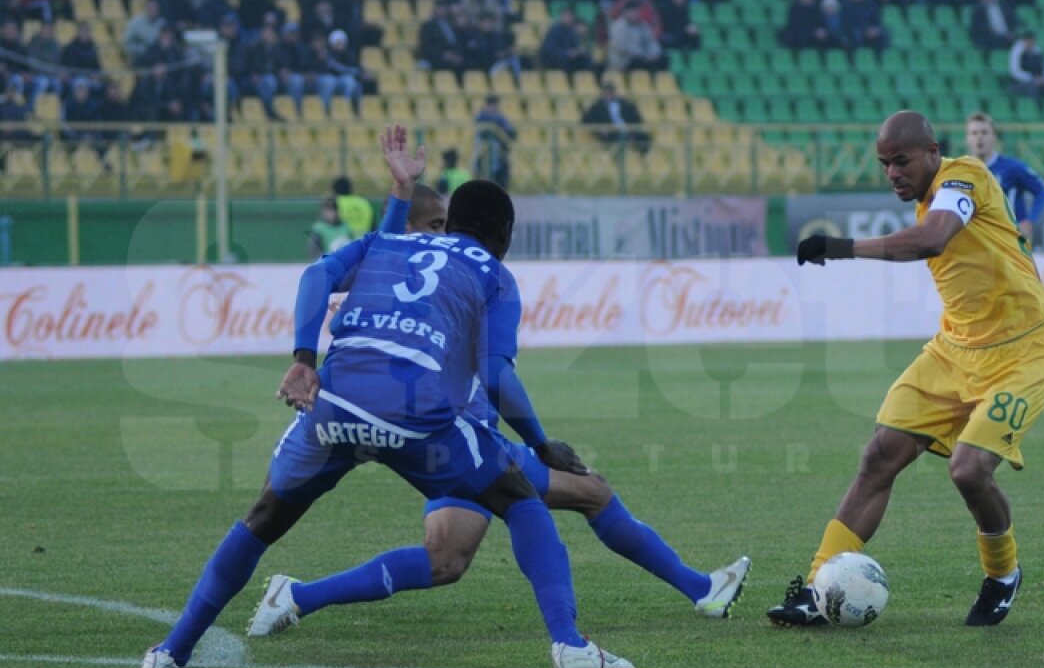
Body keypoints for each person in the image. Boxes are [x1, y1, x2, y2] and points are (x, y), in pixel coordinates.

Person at [143, 126, 636, 668]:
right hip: (414, 414)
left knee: (262, 519)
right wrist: (543, 444)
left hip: (333, 404)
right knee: (520, 499)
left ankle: (171, 650)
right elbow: (495, 377)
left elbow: (316, 275)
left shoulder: (389, 241)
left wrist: (304, 356)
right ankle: (569, 644)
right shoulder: (494, 275)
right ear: (505, 235)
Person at [246, 182, 750, 638]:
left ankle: (295, 596)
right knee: (590, 493)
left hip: (456, 435)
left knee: (445, 560)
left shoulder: (417, 275)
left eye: (448, 225)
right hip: (454, 438)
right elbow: (490, 372)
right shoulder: (440, 277)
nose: (444, 236)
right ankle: (685, 597)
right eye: (435, 226)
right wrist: (539, 440)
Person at [767, 110, 1044, 629]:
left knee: (969, 470)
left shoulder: (962, 176)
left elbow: (934, 240)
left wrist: (841, 249)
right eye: (885, 164)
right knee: (879, 456)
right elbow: (1007, 249)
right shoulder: (936, 195)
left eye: (901, 160)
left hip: (1021, 357)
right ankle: (820, 588)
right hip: (954, 350)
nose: (893, 173)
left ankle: (1002, 573)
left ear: (932, 151)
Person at [964, 111, 1044, 245]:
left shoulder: (1012, 167)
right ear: (967, 139)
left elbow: (1041, 191)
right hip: (978, 242)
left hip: (1011, 241)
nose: (979, 137)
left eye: (984, 132)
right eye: (974, 133)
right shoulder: (962, 170)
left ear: (994, 137)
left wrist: (1030, 221)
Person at [582, 80, 652, 155]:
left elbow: (636, 118)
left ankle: (643, 158)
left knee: (643, 137)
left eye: (611, 92)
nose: (609, 94)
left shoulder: (626, 104)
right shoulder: (597, 106)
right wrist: (600, 129)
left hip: (627, 130)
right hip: (611, 132)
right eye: (607, 92)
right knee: (615, 139)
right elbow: (586, 119)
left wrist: (632, 129)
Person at [473, 94, 516, 189]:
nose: (495, 108)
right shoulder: (481, 117)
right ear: (487, 105)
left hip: (499, 155)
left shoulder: (500, 118)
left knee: (501, 179)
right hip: (483, 153)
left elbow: (512, 132)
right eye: (493, 105)